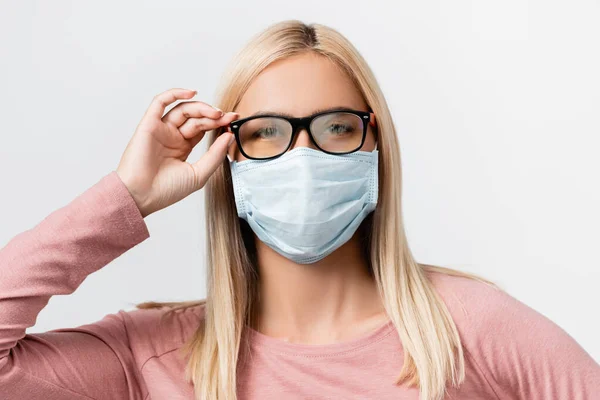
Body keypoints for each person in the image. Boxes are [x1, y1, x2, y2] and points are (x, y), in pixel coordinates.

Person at [1, 19, 598, 400]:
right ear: (227, 155)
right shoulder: (151, 358)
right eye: (267, 132)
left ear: (375, 145)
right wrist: (126, 197)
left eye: (337, 127)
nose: (305, 155)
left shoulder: (468, 329)